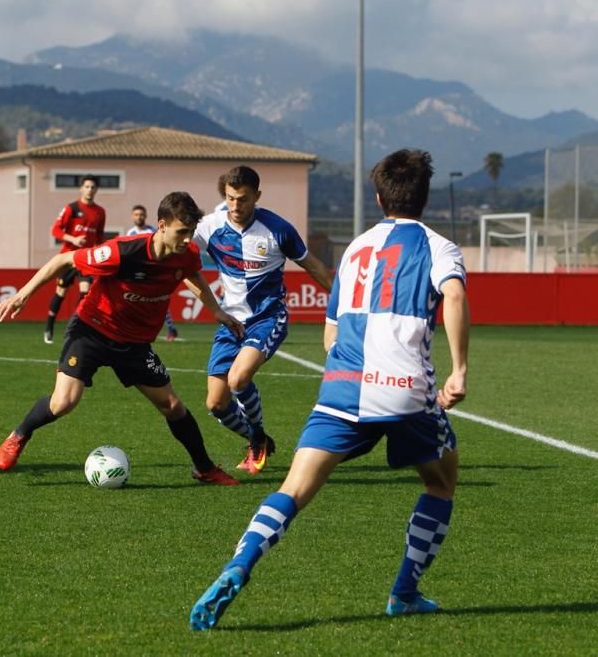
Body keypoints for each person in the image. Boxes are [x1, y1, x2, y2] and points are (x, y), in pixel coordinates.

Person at [190, 149, 470, 629]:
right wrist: (459, 369)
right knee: (441, 482)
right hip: (404, 388)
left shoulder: (358, 247)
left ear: (379, 197)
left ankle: (240, 562)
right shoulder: (439, 247)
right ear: (424, 198)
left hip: (341, 386)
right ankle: (404, 593)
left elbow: (330, 336)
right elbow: (456, 295)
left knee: (293, 488)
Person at [0, 192, 245, 486]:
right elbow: (64, 259)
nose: (187, 239)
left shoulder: (186, 254)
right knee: (64, 402)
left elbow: (192, 274)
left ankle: (204, 468)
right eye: (181, 232)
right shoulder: (123, 252)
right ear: (161, 225)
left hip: (135, 344)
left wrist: (215, 310)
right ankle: (20, 434)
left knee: (173, 406)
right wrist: (23, 294)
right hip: (92, 331)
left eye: (191, 232)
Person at [192, 165, 332, 475]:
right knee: (215, 404)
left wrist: (345, 306)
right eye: (230, 198)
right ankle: (258, 437)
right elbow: (183, 265)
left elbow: (315, 268)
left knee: (238, 379)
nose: (236, 206)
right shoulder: (209, 227)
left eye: (242, 199)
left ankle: (256, 439)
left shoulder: (278, 229)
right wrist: (213, 306)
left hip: (268, 318)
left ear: (257, 195)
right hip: (230, 322)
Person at [43, 175, 106, 344]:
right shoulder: (71, 208)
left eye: (93, 187)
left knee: (85, 293)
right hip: (68, 258)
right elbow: (55, 230)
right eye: (87, 186)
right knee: (61, 293)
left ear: (96, 190)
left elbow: (99, 236)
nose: (90, 190)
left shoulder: (100, 212)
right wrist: (73, 239)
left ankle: (74, 326)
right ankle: (49, 326)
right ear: (81, 188)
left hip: (86, 259)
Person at [125, 204, 180, 342]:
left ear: (145, 216)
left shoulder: (152, 230)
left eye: (141, 214)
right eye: (136, 215)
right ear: (132, 216)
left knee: (158, 300)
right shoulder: (130, 233)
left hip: (153, 271)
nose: (139, 217)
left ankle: (170, 327)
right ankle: (136, 331)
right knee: (136, 302)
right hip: (137, 273)